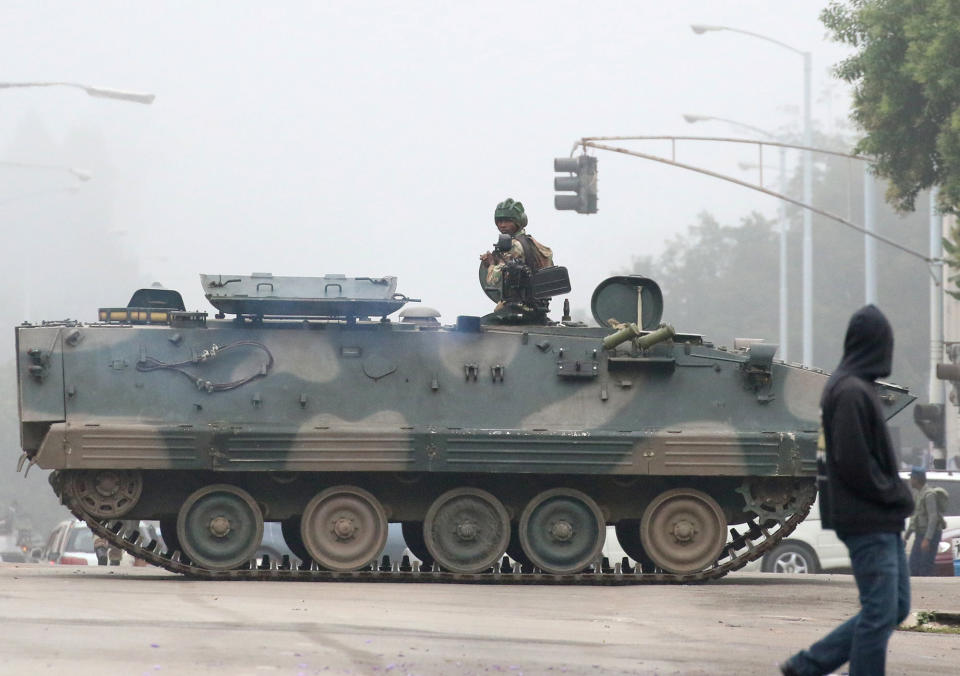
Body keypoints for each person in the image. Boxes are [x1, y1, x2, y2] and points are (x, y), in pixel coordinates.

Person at [781, 305, 914, 676]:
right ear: (876, 345)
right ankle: (809, 667)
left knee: (893, 608)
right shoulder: (852, 391)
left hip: (877, 517)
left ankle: (807, 667)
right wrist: (895, 495)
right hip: (868, 517)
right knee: (879, 612)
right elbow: (855, 462)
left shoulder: (855, 386)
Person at [479, 198, 553, 313]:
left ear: (518, 221)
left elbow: (493, 280)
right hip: (538, 307)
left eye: (508, 221)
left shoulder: (514, 246)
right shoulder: (534, 244)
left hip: (517, 307)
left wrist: (491, 264)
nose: (502, 225)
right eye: (499, 221)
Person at [906, 467, 946, 576]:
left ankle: (927, 589)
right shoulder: (918, 494)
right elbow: (915, 517)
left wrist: (927, 539)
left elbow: (933, 518)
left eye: (912, 478)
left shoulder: (929, 495)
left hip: (930, 535)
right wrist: (906, 536)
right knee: (913, 564)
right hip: (920, 534)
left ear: (917, 479)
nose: (910, 481)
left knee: (925, 565)